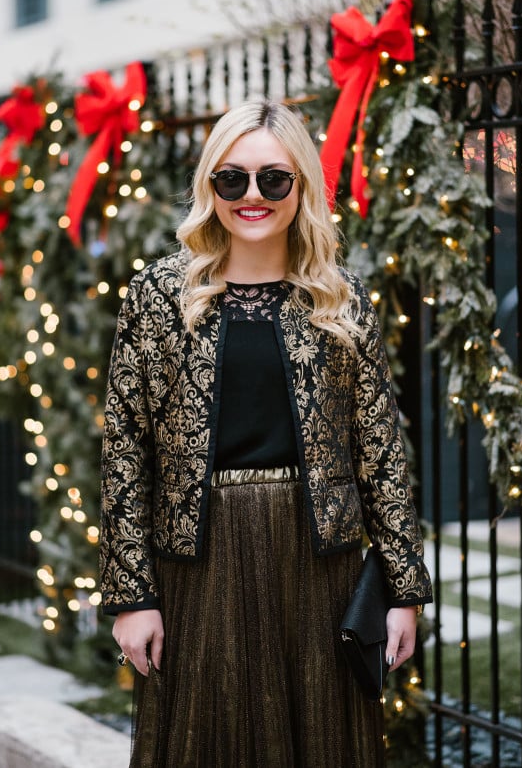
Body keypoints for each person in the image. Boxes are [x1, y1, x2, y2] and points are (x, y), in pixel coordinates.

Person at [99, 99, 432, 768]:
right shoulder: (160, 294)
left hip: (319, 564)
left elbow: (381, 453)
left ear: (301, 185)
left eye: (273, 179)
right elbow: (124, 446)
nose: (253, 196)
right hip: (196, 562)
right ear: (210, 187)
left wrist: (404, 591)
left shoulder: (336, 297)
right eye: (233, 179)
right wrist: (130, 596)